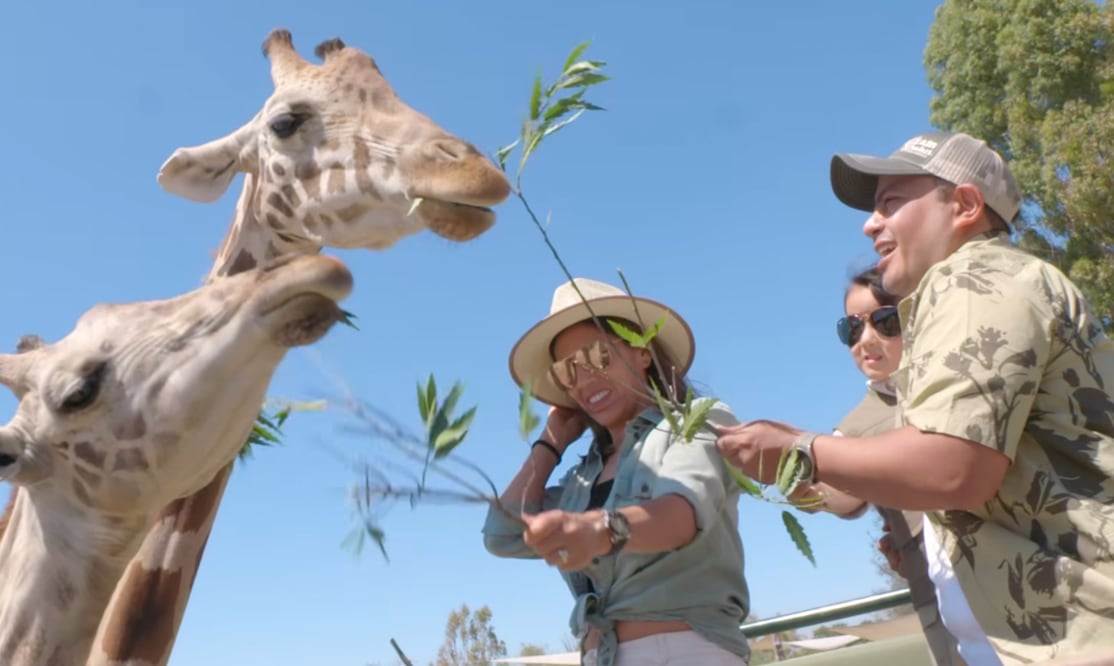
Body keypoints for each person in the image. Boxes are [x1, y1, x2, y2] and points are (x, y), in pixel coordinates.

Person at [715, 131, 1114, 665]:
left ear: (966, 205)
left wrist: (797, 451)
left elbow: (952, 467)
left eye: (891, 203)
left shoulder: (972, 280)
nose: (869, 223)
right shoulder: (997, 283)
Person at [483, 277, 750, 666]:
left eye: (598, 357)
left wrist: (602, 531)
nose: (584, 379)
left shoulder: (695, 422)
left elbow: (679, 514)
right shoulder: (581, 481)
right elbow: (502, 534)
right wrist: (550, 443)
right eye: (567, 371)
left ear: (642, 351)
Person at [791, 265, 965, 666]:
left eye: (885, 321)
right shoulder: (851, 429)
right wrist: (793, 477)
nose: (865, 340)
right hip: (940, 603)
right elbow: (835, 498)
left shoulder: (960, 381)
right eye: (851, 329)